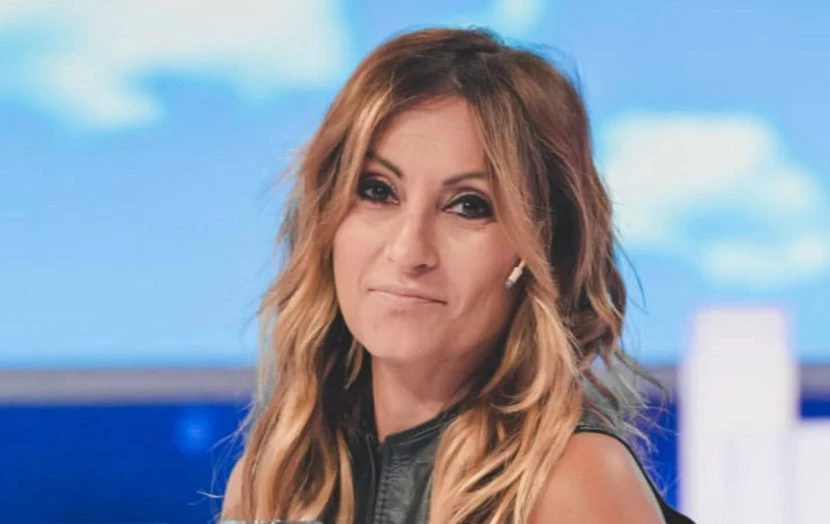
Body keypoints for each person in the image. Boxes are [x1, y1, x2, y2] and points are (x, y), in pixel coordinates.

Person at [220, 27, 695, 524]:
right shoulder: (274, 481)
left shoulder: (573, 483)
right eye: (378, 191)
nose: (409, 251)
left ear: (539, 247)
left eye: (468, 206)